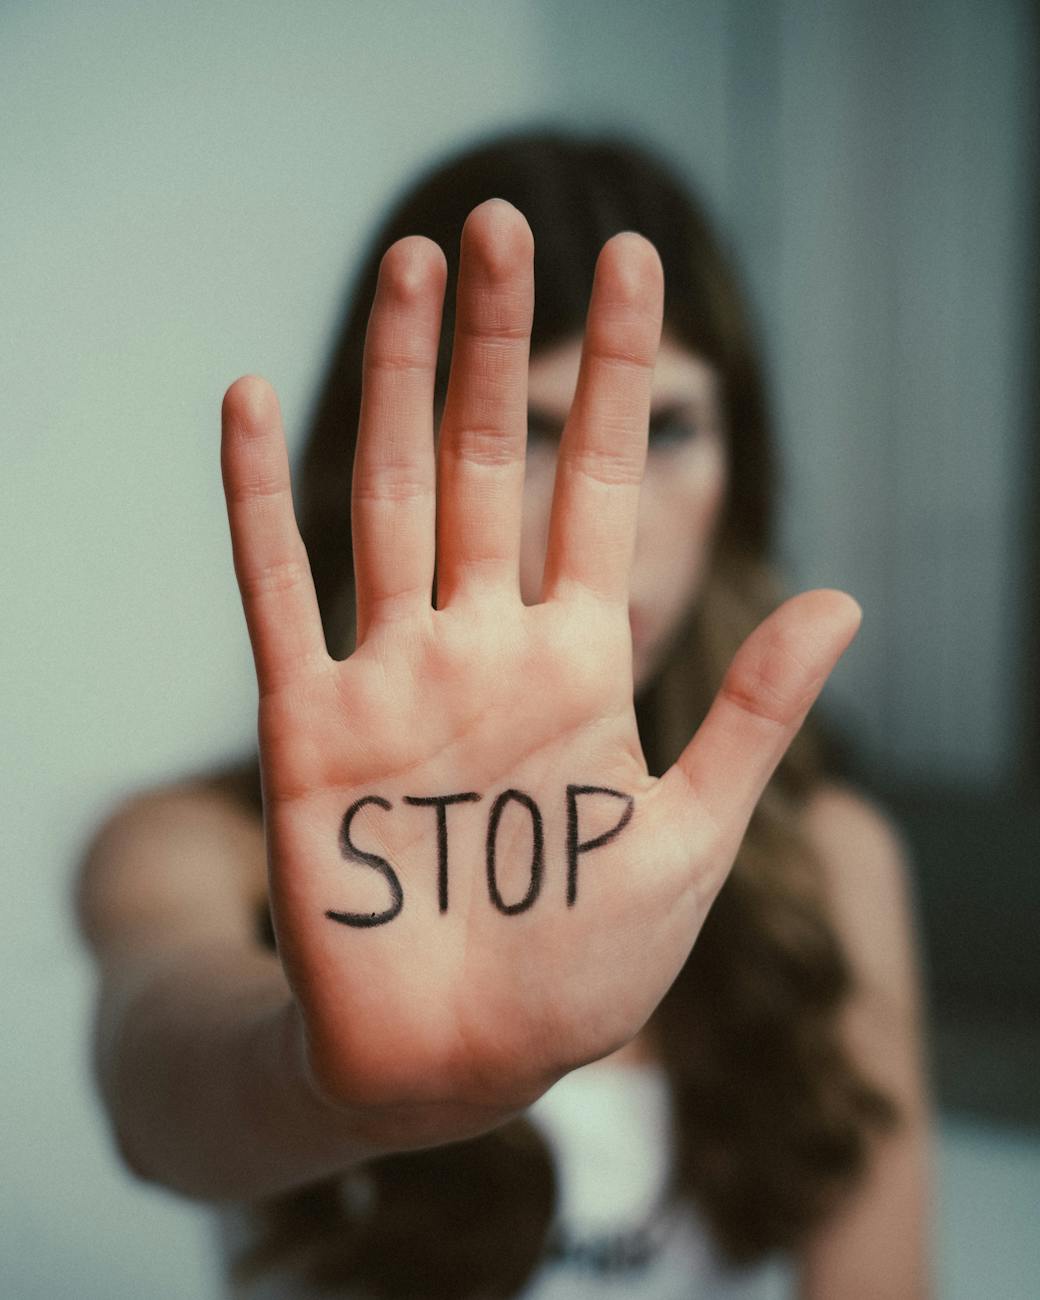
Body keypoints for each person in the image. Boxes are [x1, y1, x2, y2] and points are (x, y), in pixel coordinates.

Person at [75, 128, 933, 1298]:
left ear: (743, 467)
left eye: (665, 426)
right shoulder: (197, 846)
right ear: (387, 457)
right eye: (529, 431)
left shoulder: (829, 866)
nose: (607, 513)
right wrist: (326, 1082)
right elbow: (155, 1092)